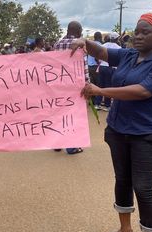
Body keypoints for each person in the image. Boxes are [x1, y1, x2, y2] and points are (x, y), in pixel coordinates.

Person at [72, 13, 152, 232]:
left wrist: (100, 91)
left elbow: (142, 91)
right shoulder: (129, 55)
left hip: (147, 133)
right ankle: (125, 230)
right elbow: (101, 52)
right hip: (119, 129)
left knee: (143, 188)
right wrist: (84, 42)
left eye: (145, 32)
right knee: (122, 180)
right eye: (136, 32)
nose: (138, 37)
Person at [53, 21, 85, 155]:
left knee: (59, 113)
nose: (82, 31)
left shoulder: (57, 44)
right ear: (77, 30)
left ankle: (57, 144)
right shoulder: (79, 44)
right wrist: (86, 83)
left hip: (58, 85)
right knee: (72, 114)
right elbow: (83, 66)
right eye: (81, 29)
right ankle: (71, 146)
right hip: (73, 85)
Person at [95, 32, 122, 112]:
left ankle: (97, 104)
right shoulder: (119, 48)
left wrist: (99, 62)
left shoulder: (104, 45)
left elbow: (97, 55)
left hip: (102, 67)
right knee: (108, 86)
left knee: (100, 85)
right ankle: (107, 105)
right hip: (111, 68)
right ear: (117, 39)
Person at [88, 32, 103, 106]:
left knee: (92, 83)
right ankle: (97, 102)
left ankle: (92, 101)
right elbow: (96, 57)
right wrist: (99, 63)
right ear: (100, 37)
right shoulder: (100, 45)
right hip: (96, 66)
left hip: (89, 67)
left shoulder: (90, 45)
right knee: (97, 84)